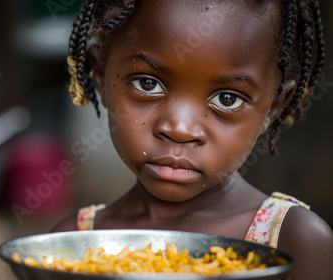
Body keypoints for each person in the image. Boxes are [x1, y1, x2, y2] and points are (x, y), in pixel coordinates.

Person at [51, 0, 333, 279]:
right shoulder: (70, 244)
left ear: (275, 106)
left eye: (228, 99)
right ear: (100, 77)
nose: (180, 129)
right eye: (147, 83)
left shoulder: (293, 240)